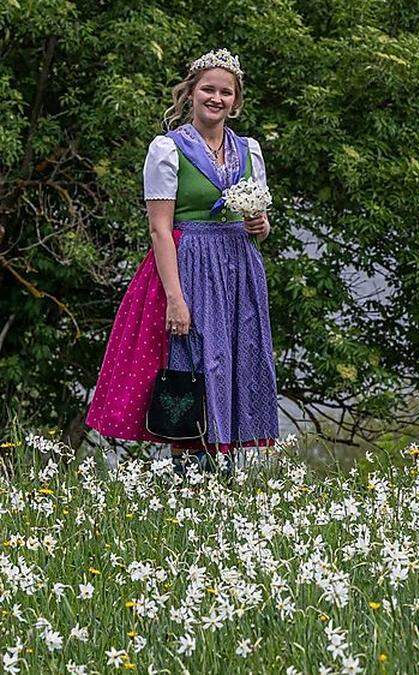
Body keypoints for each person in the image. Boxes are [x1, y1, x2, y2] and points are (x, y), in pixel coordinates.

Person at [86, 49, 278, 470]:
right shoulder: (167, 149)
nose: (216, 97)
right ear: (190, 94)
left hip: (239, 269)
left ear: (236, 101)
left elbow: (261, 229)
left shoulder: (249, 151)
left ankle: (226, 475)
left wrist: (259, 226)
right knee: (194, 366)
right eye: (207, 88)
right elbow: (159, 228)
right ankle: (191, 475)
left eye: (225, 92)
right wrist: (175, 298)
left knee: (237, 361)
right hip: (189, 266)